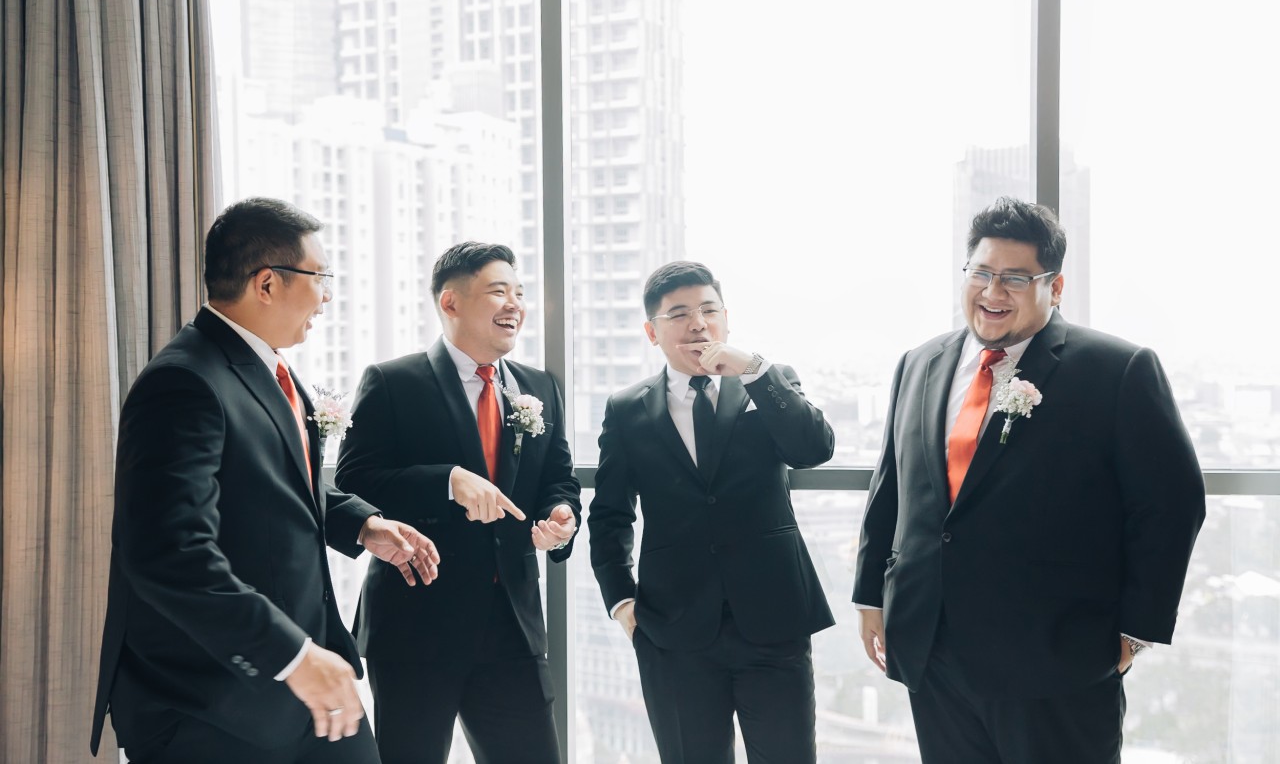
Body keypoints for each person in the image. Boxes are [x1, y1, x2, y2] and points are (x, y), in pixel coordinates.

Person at [852, 197, 1206, 763]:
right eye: (981, 273)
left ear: (1055, 287)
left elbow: (1171, 503)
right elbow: (891, 485)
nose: (993, 292)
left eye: (1015, 278)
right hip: (933, 651)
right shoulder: (919, 362)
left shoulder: (1117, 369)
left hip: (1055, 661)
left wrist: (1137, 629)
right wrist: (871, 594)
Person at [91, 198, 442, 764]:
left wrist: (361, 524)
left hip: (304, 680)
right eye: (320, 277)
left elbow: (273, 481)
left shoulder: (267, 367)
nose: (327, 296)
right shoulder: (183, 383)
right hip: (210, 699)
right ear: (267, 284)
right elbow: (168, 553)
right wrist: (292, 657)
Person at [335, 241, 580, 764]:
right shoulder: (393, 381)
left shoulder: (540, 386)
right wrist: (446, 481)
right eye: (499, 291)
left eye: (520, 293)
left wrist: (561, 517)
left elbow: (558, 478)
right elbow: (354, 482)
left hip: (513, 629)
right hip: (416, 628)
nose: (515, 304)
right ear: (450, 302)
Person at [588, 260, 836, 764]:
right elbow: (610, 514)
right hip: (672, 631)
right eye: (679, 314)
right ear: (652, 332)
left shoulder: (768, 382)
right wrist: (622, 601)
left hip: (774, 620)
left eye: (709, 310)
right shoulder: (628, 408)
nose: (698, 324)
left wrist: (755, 370)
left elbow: (814, 449)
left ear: (726, 318)